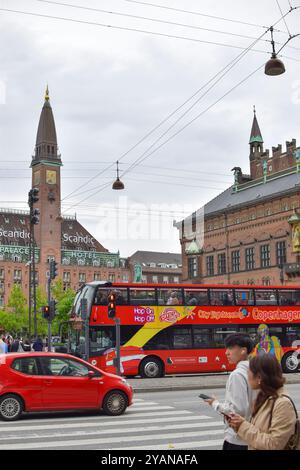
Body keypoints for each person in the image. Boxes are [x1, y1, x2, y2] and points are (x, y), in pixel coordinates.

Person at [229, 354, 297, 450]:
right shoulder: (264, 397)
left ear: (259, 377)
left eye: (249, 370)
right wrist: (240, 423)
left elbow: (274, 444)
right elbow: (258, 431)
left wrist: (242, 426)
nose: (247, 374)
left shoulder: (282, 404)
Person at [203, 333, 255, 450]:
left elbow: (237, 410)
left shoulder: (237, 375)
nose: (226, 352)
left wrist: (215, 404)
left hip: (237, 438)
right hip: (253, 436)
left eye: (230, 348)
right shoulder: (256, 371)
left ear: (243, 351)